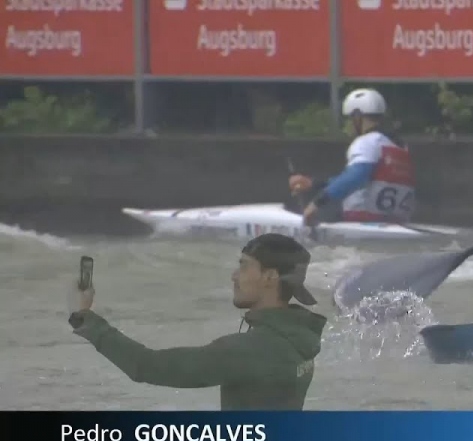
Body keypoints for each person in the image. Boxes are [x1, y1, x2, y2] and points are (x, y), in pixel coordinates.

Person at [67, 234, 328, 410]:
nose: (234, 276)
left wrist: (87, 318)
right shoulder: (301, 335)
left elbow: (145, 366)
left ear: (270, 277)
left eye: (245, 266)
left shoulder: (251, 350)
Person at [288, 88, 416, 226]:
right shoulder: (399, 146)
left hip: (361, 225)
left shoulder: (366, 141)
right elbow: (366, 179)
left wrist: (316, 204)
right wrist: (314, 183)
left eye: (349, 119)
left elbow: (356, 177)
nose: (347, 125)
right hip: (396, 226)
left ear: (357, 116)